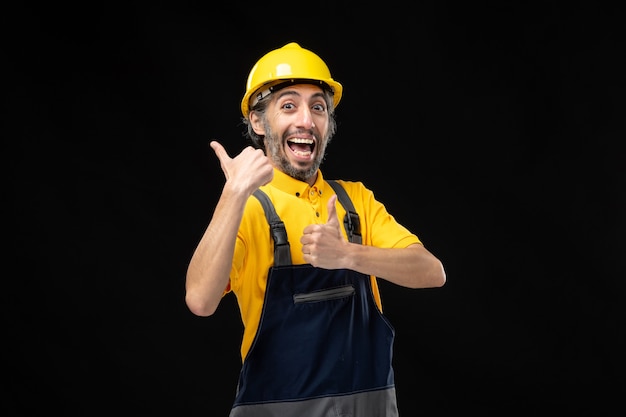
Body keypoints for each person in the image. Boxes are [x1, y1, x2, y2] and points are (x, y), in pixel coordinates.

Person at [185, 42, 446, 417]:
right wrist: (234, 193)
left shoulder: (354, 201)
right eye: (288, 106)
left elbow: (432, 272)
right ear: (258, 123)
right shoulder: (248, 209)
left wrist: (348, 255)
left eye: (318, 107)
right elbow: (200, 299)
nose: (306, 120)